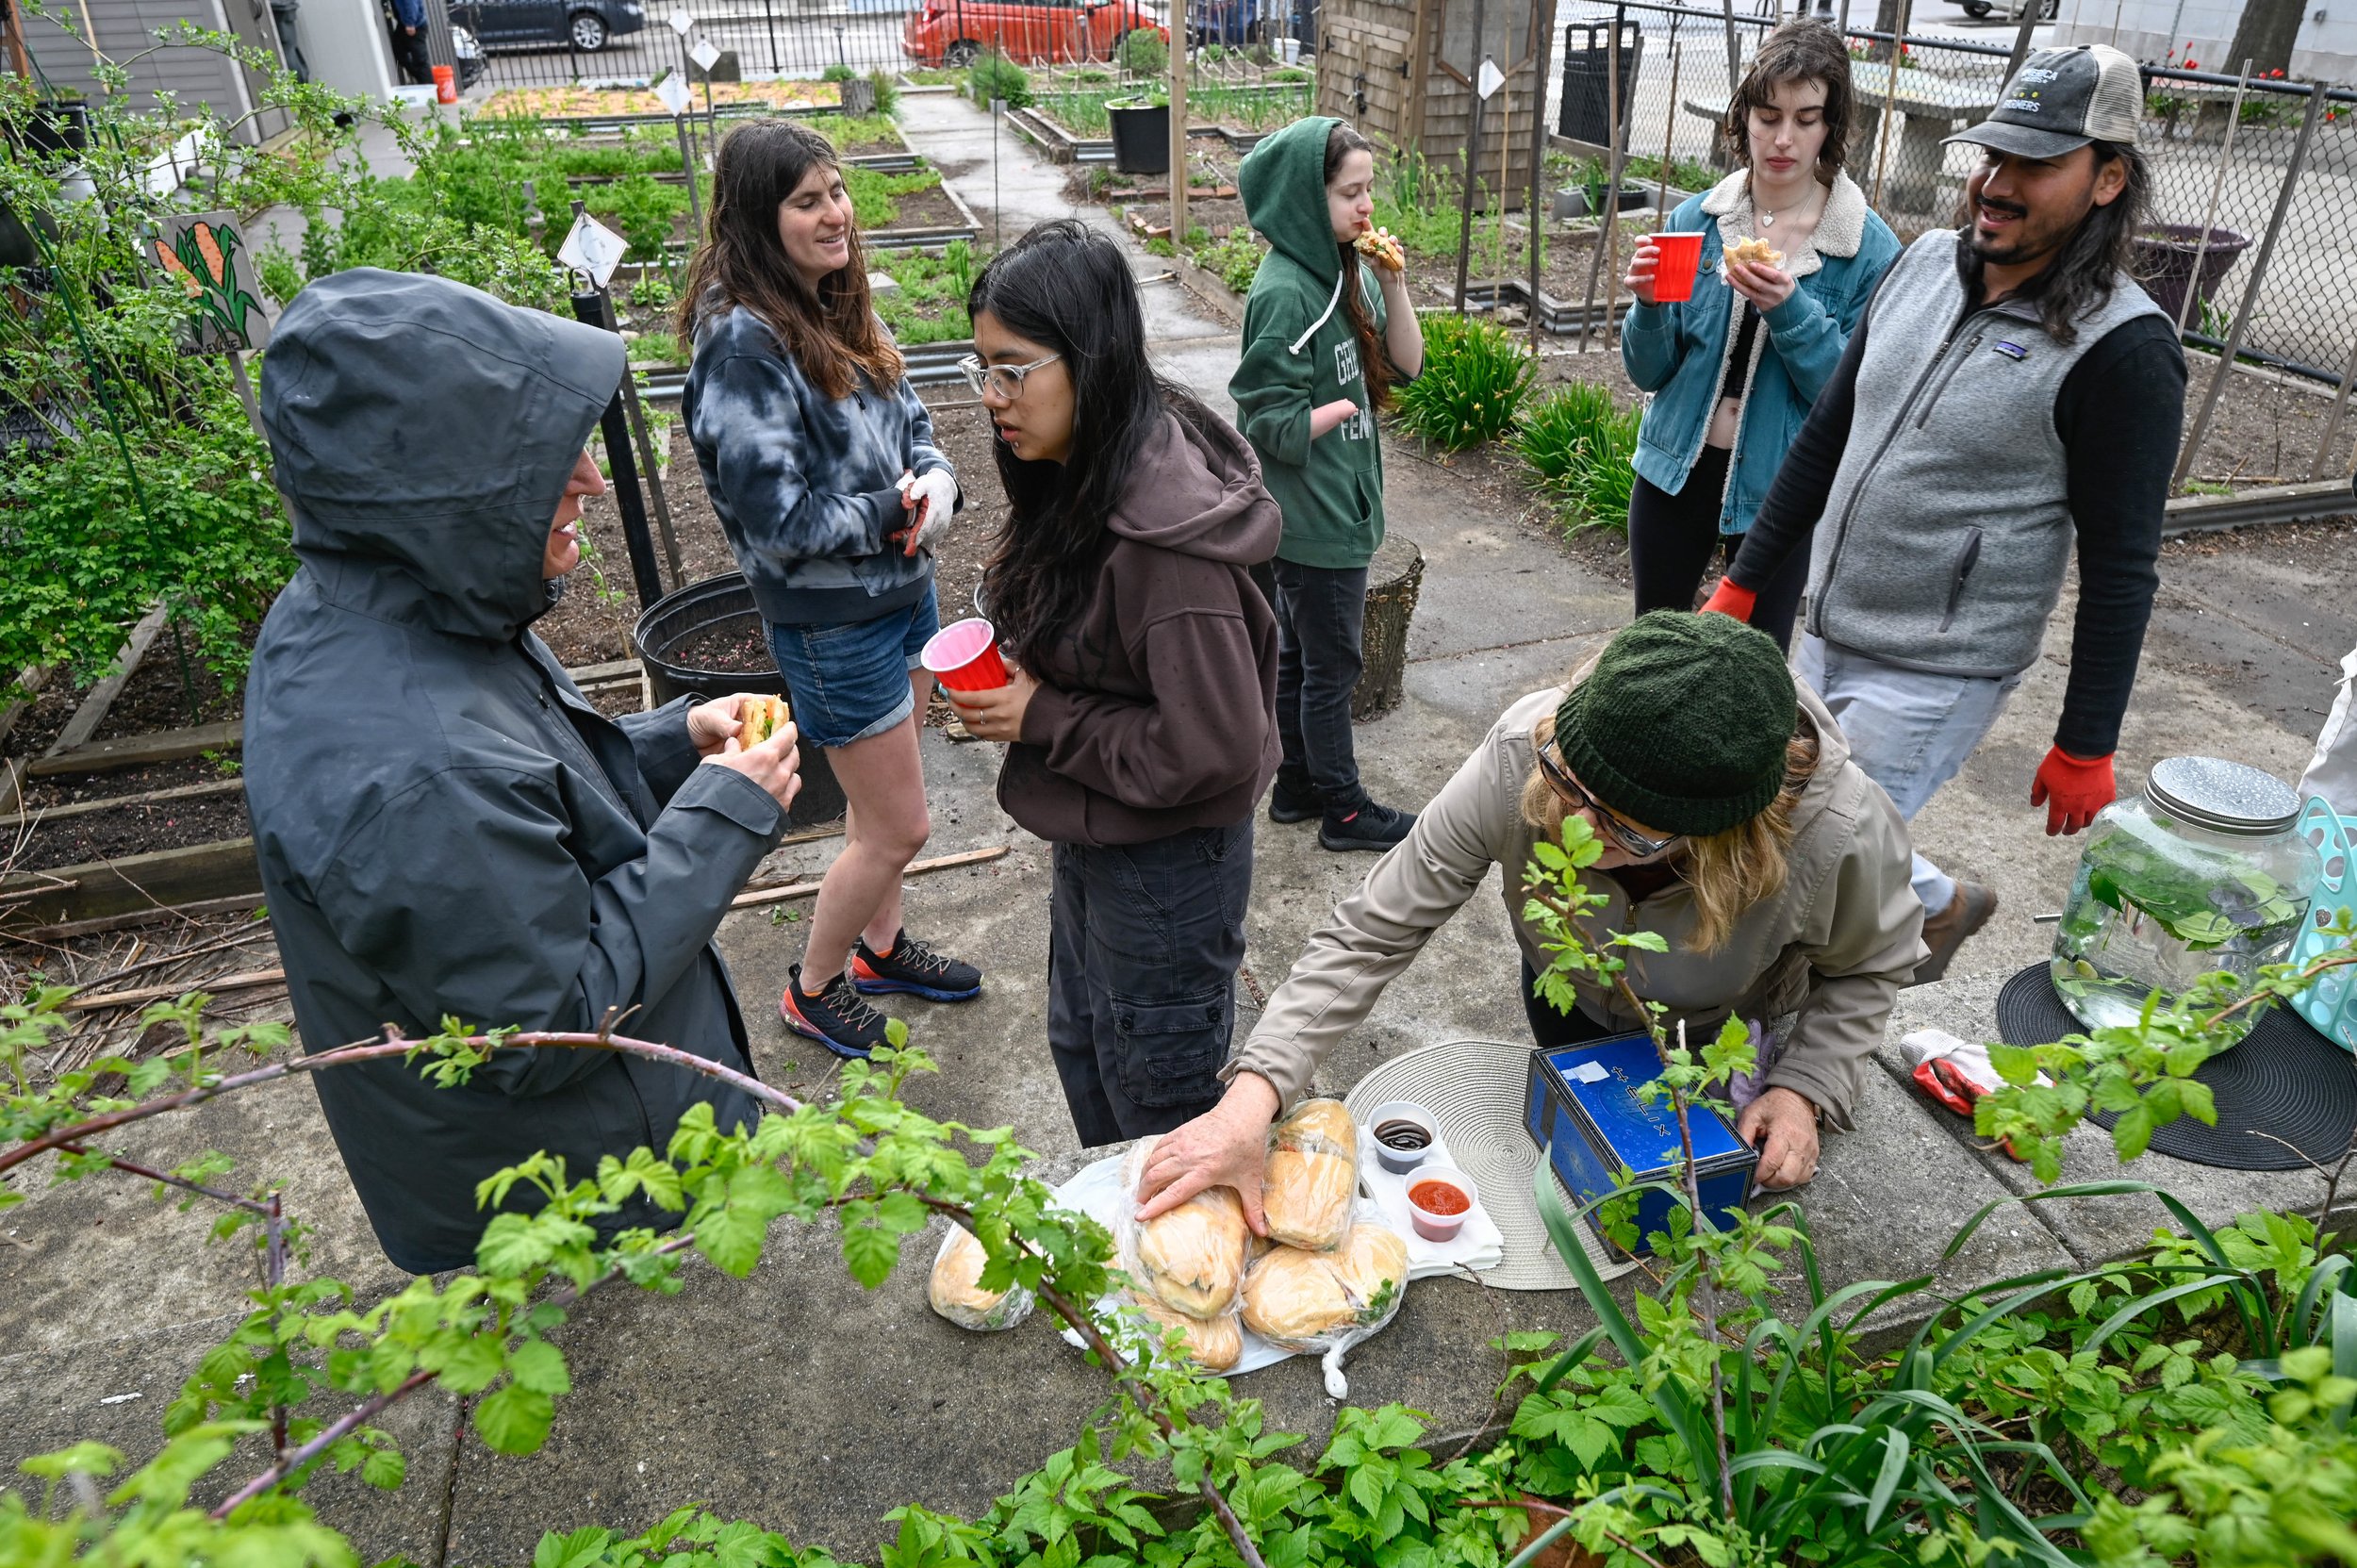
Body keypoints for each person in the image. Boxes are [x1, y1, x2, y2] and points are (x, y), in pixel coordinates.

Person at [246, 270, 804, 1276]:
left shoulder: (404, 602)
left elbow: (521, 805)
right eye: (545, 459)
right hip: (587, 1197)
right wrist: (725, 815)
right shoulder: (411, 763)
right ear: (437, 484)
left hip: (601, 1139)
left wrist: (673, 741)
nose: (590, 479)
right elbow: (547, 1021)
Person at [1136, 612, 1925, 1225]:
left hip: (1719, 1033)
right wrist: (1253, 1094)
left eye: (1630, 829)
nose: (1576, 830)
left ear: (1731, 834)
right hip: (1570, 996)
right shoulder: (1524, 750)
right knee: (1571, 1179)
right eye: (1568, 779)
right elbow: (1375, 926)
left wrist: (1804, 1087)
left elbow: (1872, 963)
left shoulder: (1839, 833)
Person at [1701, 44, 2187, 982]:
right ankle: (1934, 901)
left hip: (1935, 669)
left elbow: (2123, 565)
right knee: (1788, 825)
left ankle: (1780, 1057)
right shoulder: (1923, 262)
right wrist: (1743, 582)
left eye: (2036, 166)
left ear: (2107, 178)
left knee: (1786, 865)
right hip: (1825, 627)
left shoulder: (2123, 350)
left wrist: (2087, 738)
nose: (1997, 186)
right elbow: (1826, 439)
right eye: (1993, 158)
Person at [941, 221, 1283, 1147]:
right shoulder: (1082, 469)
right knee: (1085, 1041)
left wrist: (1042, 715)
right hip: (1099, 825)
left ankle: (1172, 1272)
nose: (992, 397)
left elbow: (1212, 749)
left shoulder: (1167, 553)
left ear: (1088, 362)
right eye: (983, 368)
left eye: (1013, 369)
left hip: (1167, 866)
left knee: (1157, 1099)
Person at [680, 119, 981, 1059]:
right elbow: (772, 516)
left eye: (837, 192)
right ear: (757, 221)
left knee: (878, 813)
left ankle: (878, 950)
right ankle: (812, 988)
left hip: (904, 597)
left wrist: (936, 483)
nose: (834, 214)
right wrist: (893, 509)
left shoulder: (839, 302)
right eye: (807, 201)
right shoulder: (741, 343)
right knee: (899, 825)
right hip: (830, 622)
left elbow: (917, 419)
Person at [1620, 20, 1899, 650]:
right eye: (1768, 115)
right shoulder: (1695, 219)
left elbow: (1853, 394)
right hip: (1674, 473)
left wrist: (1791, 310)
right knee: (1649, 649)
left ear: (1831, 126)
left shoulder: (1865, 248)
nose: (1783, 138)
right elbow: (1649, 372)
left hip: (1784, 488)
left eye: (1806, 118)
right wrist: (1647, 306)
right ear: (1743, 116)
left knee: (1756, 664)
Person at [1229, 118, 1424, 854]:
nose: (1367, 207)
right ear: (1307, 202)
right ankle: (1344, 808)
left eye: (1369, 190)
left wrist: (1393, 286)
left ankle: (1297, 786)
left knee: (1302, 659)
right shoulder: (1285, 293)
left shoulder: (1344, 271)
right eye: (1350, 194)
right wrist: (1339, 409)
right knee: (1331, 667)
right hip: (1313, 520)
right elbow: (1267, 423)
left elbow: (1409, 366)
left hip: (1342, 503)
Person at [385, 0, 431, 86]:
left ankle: (429, 91)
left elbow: (411, 4)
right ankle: (421, 79)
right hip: (403, 24)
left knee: (420, 61)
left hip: (416, 26)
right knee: (399, 51)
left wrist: (410, 23)